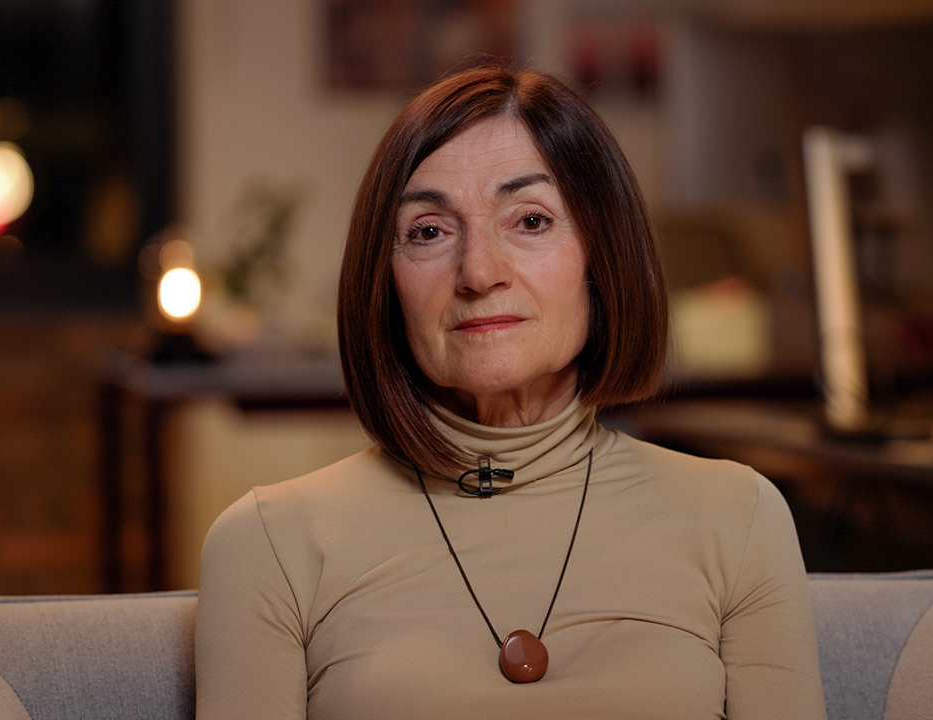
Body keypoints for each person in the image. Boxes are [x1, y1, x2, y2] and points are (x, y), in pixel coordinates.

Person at [195, 66, 826, 720]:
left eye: (529, 220)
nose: (478, 272)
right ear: (384, 281)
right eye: (429, 231)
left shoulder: (737, 517)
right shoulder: (269, 543)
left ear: (602, 254)